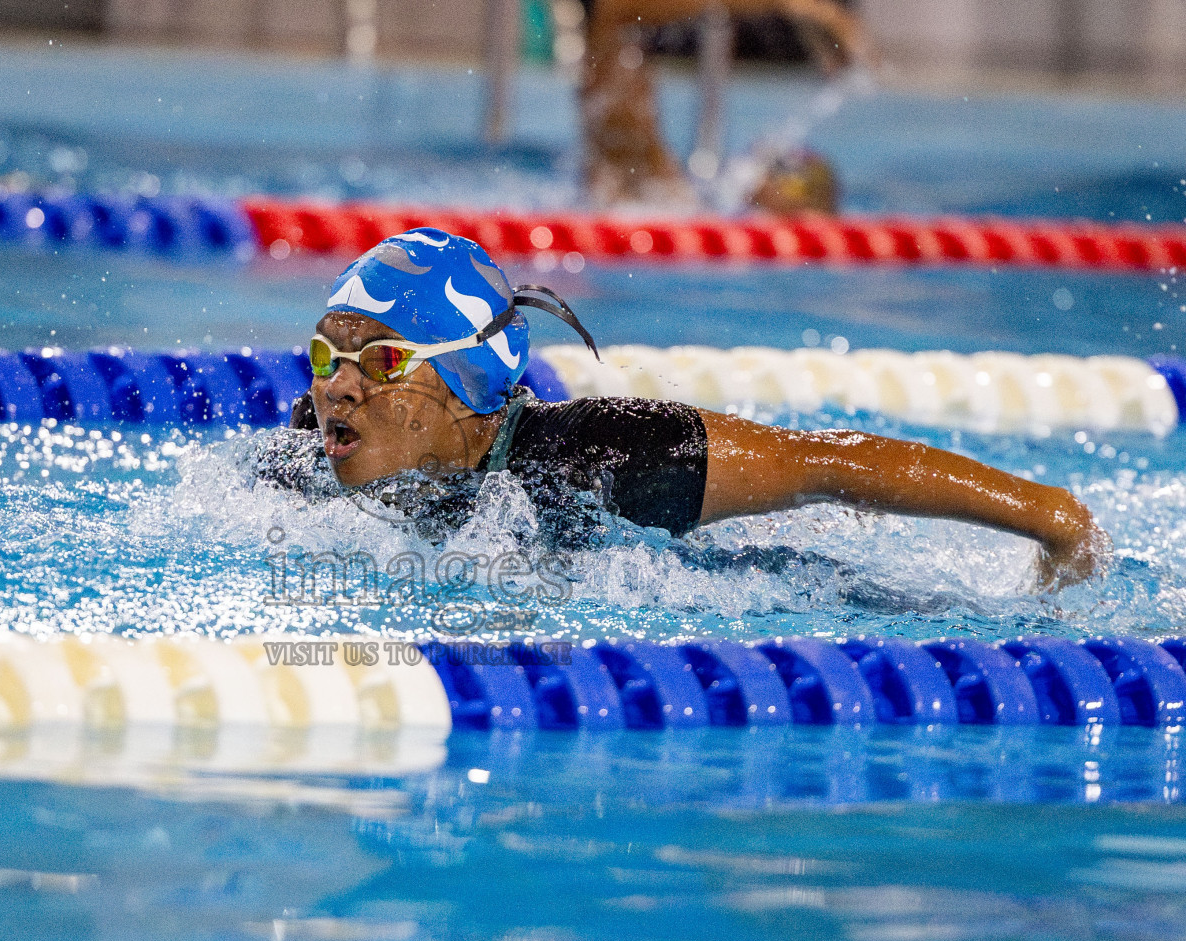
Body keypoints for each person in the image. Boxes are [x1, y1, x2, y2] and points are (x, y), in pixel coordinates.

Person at [262, 229, 1106, 590]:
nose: (335, 388)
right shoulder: (310, 456)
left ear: (467, 379)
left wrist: (1049, 516)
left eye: (379, 363)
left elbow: (829, 464)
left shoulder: (609, 455)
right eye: (326, 359)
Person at [580, 0, 872, 210]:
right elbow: (616, 9)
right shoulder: (610, 35)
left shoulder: (618, 49)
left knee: (810, 182)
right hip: (630, 207)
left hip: (652, 201)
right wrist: (794, 6)